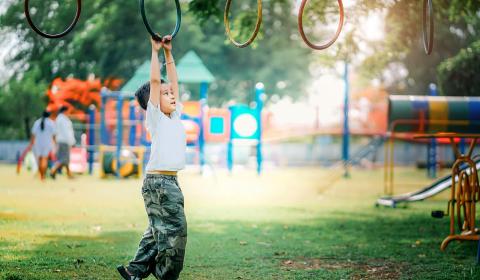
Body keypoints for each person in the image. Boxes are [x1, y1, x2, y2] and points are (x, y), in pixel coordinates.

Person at [117, 35, 187, 280]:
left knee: (157, 229)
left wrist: (169, 53)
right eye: (165, 93)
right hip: (160, 183)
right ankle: (166, 275)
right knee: (175, 231)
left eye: (171, 93)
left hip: (165, 182)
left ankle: (134, 271)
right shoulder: (155, 118)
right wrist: (155, 51)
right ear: (154, 101)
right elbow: (156, 81)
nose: (172, 95)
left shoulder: (175, 115)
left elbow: (172, 80)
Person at [49, 105, 76, 179]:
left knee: (65, 159)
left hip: (61, 141)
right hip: (64, 141)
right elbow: (67, 132)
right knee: (64, 159)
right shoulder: (63, 120)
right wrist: (72, 142)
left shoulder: (59, 119)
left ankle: (69, 174)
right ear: (65, 111)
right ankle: (53, 170)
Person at [30, 110, 56, 181]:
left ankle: (41, 175)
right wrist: (54, 144)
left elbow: (33, 134)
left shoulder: (37, 122)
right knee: (44, 160)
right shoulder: (51, 123)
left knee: (39, 160)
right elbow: (54, 136)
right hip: (47, 143)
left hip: (37, 143)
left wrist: (31, 144)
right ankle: (43, 175)